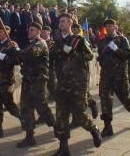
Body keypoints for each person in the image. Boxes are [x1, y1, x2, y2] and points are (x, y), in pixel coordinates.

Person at [51, 13, 101, 155]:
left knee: (79, 114)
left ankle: (93, 129)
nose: (61, 24)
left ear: (70, 23)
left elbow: (90, 55)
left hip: (77, 84)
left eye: (64, 21)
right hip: (62, 83)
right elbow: (53, 58)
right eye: (60, 21)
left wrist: (73, 52)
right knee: (61, 116)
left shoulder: (78, 40)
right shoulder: (57, 42)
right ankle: (64, 147)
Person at [97, 19, 130, 137]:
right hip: (106, 75)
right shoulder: (102, 41)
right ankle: (107, 127)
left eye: (111, 26)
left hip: (119, 76)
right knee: (105, 99)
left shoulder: (122, 39)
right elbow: (101, 56)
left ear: (115, 27)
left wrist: (116, 49)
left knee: (125, 98)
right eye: (107, 26)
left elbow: (128, 55)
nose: (109, 28)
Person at [17, 22, 55, 148]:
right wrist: (15, 50)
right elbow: (20, 57)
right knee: (25, 108)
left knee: (41, 106)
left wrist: (17, 50)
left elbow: (30, 54)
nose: (29, 31)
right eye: (29, 29)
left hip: (38, 80)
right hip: (28, 80)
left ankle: (57, 127)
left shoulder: (41, 43)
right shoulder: (31, 44)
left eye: (32, 30)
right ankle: (29, 136)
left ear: (38, 32)